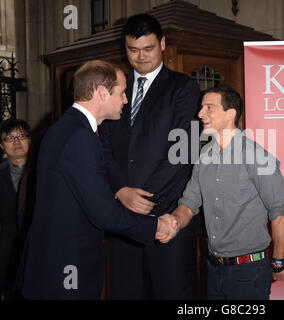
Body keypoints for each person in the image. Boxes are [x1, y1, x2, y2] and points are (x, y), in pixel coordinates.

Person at [18, 60, 178, 300]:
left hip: (55, 263)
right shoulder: (80, 137)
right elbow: (104, 213)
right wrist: (156, 226)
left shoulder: (67, 128)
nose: (126, 99)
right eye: (122, 92)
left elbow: (85, 194)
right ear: (102, 92)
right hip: (65, 269)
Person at [99, 13, 201, 299]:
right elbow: (103, 146)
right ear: (125, 48)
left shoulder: (184, 88)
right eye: (133, 49)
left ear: (163, 44)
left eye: (148, 48)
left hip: (168, 217)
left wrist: (144, 198)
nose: (140, 56)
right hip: (123, 221)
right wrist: (121, 191)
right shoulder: (116, 89)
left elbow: (183, 151)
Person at [169, 86, 284, 300]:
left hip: (249, 273)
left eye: (209, 108)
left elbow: (280, 213)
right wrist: (172, 223)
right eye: (201, 107)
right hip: (214, 269)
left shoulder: (257, 157)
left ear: (230, 114)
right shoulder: (204, 156)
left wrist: (279, 262)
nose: (200, 114)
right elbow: (188, 203)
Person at [0, 119, 31, 299]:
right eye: (9, 138)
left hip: (37, 251)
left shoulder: (44, 172)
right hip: (6, 255)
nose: (16, 142)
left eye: (21, 136)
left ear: (29, 140)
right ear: (2, 146)